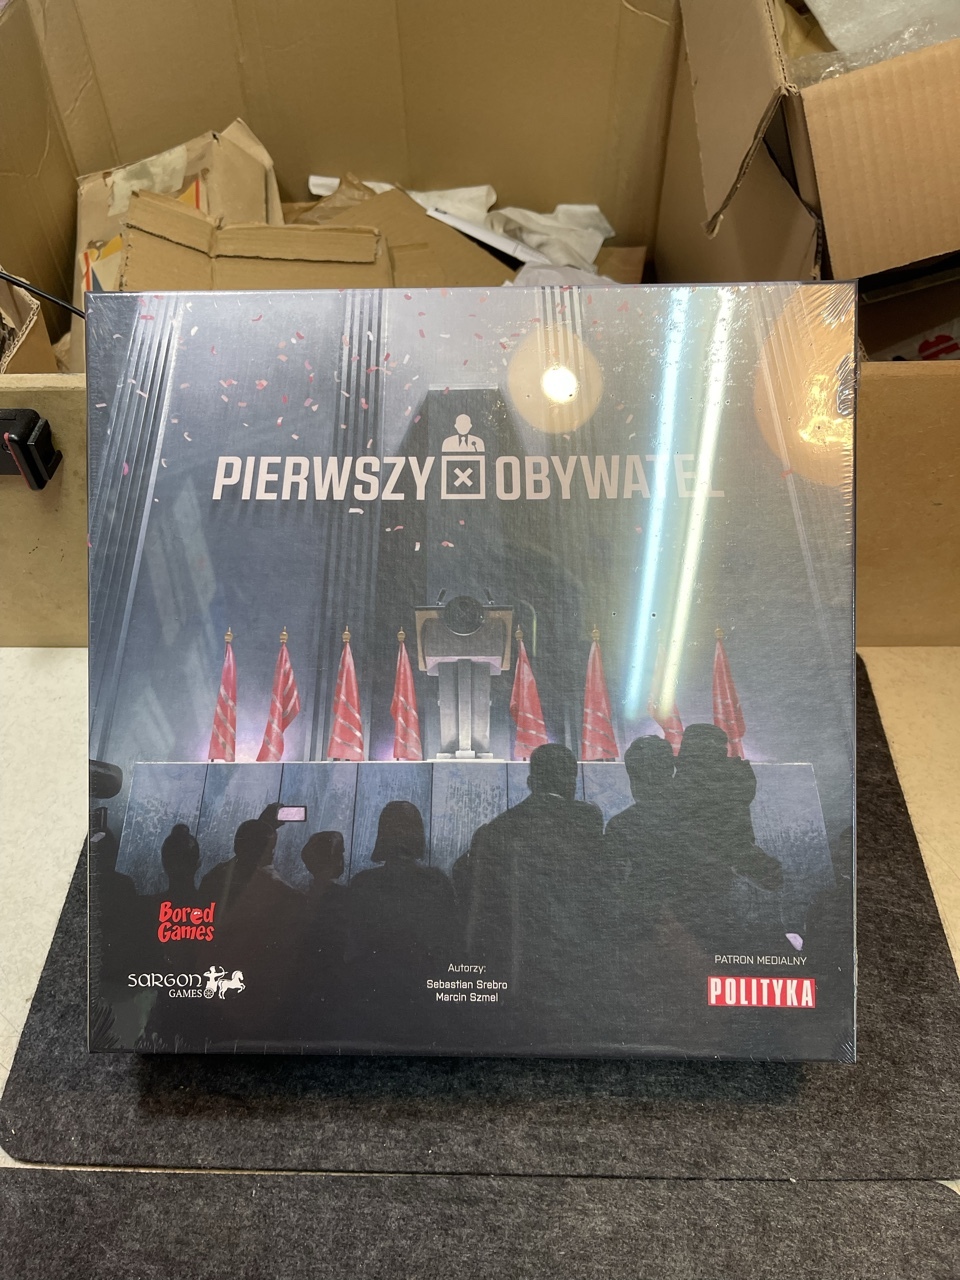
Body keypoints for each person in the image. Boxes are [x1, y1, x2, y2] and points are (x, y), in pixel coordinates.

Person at [458, 743, 604, 1028]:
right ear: (572, 782)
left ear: (530, 782)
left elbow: (482, 907)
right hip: (579, 962)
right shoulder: (588, 820)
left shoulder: (497, 829)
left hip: (520, 964)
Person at [670, 724, 783, 950]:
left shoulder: (687, 784)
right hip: (717, 868)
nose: (723, 753)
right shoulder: (732, 779)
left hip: (708, 870)